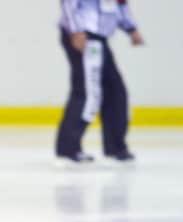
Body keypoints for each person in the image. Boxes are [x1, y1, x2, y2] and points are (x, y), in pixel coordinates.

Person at [55, 0, 144, 164]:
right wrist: (76, 31)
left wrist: (131, 28)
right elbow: (69, 3)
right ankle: (68, 149)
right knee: (87, 92)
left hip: (99, 39)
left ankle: (115, 147)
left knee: (115, 92)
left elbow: (120, 5)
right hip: (84, 36)